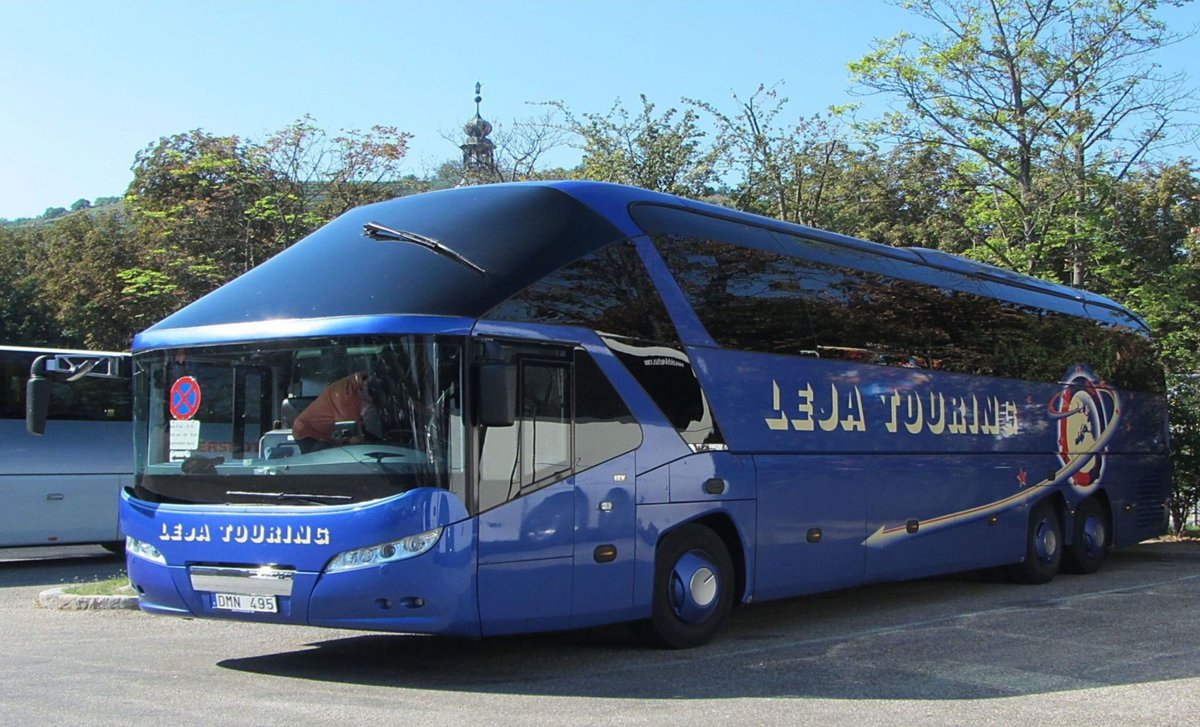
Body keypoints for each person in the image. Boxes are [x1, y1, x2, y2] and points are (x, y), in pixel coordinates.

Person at [291, 372, 373, 450]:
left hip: (329, 436)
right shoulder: (346, 398)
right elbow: (353, 437)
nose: (370, 404)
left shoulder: (363, 379)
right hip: (308, 433)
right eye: (370, 400)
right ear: (362, 390)